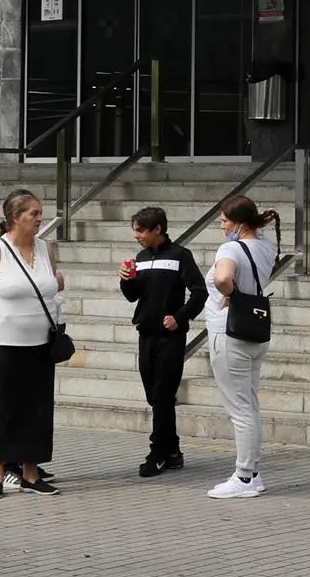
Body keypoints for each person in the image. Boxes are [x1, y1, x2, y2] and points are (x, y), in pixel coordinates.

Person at [0, 189, 65, 499]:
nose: (39, 218)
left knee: (37, 408)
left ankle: (31, 474)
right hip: (3, 344)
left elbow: (52, 286)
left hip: (41, 343)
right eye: (33, 213)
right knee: (4, 407)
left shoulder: (45, 248)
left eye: (40, 212)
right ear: (15, 218)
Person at [118, 206, 208, 478]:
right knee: (154, 395)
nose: (137, 236)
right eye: (135, 230)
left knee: (162, 395)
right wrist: (126, 280)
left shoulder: (181, 255)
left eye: (141, 230)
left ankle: (157, 453)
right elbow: (133, 296)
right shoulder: (142, 257)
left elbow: (200, 292)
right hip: (145, 334)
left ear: (158, 229)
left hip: (171, 337)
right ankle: (173, 451)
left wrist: (179, 318)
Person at [203, 195, 278, 499]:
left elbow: (222, 277)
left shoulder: (231, 247)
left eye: (224, 220)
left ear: (239, 223)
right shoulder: (266, 246)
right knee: (249, 403)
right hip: (254, 332)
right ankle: (251, 472)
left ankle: (245, 477)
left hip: (229, 332)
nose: (221, 226)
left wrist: (230, 292)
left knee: (240, 409)